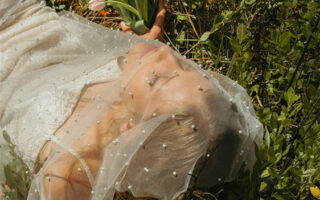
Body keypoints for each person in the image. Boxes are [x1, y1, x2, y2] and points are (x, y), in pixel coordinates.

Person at [0, 0, 264, 199]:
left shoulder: (67, 176)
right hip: (28, 20)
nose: (168, 55)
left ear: (132, 133)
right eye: (188, 68)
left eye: (159, 79)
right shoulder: (132, 82)